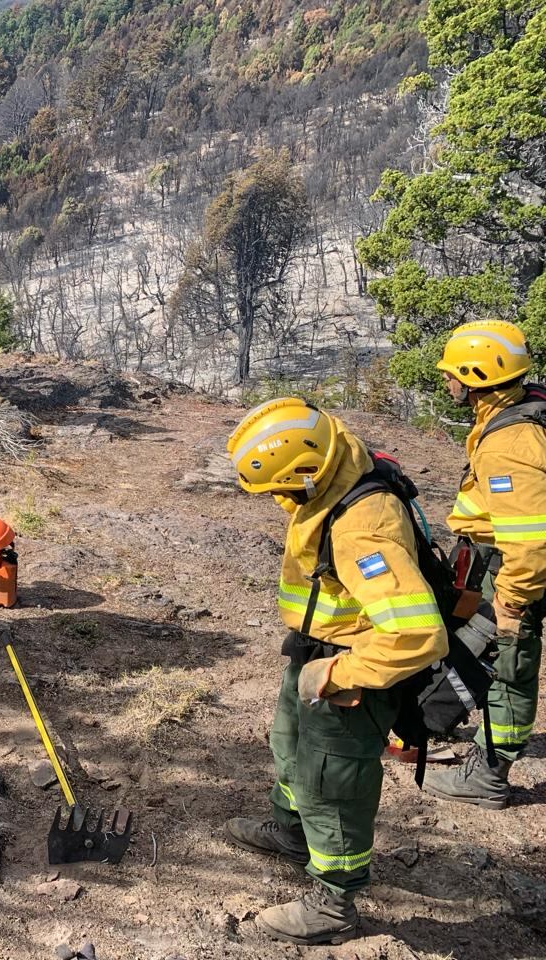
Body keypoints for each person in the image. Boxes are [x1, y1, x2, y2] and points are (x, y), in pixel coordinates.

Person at [223, 398, 447, 945]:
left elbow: (417, 633)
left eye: (281, 489)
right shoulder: (337, 458)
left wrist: (338, 673)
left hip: (350, 675)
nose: (278, 501)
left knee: (332, 784)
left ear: (308, 472)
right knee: (289, 746)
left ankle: (334, 902)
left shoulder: (362, 529)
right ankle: (292, 834)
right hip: (314, 648)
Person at [424, 320, 545, 808]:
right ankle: (441, 717)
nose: (448, 382)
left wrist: (512, 599)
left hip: (523, 569)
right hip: (508, 560)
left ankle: (488, 776)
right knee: (487, 647)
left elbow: (532, 544)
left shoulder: (509, 445)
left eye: (453, 374)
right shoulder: (524, 406)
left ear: (475, 376)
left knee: (511, 664)